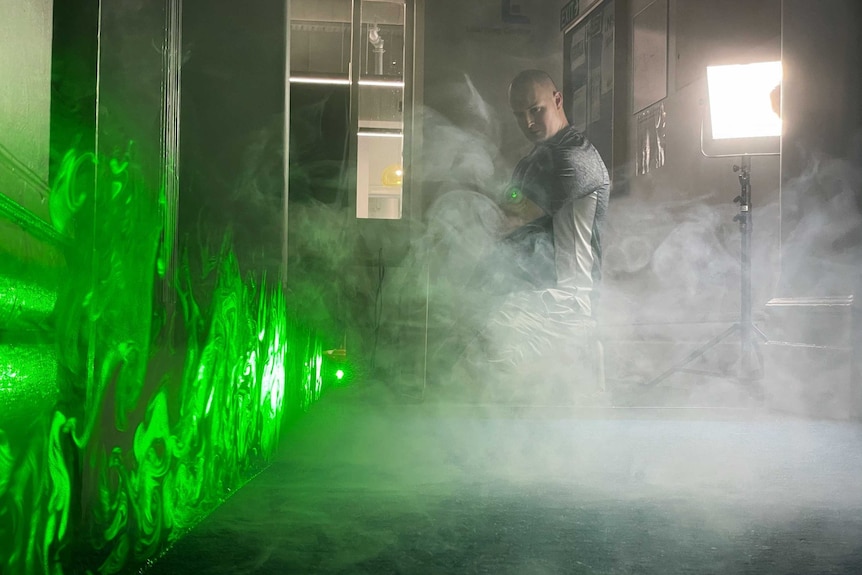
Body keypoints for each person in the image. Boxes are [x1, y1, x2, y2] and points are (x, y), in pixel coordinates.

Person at [502, 69, 610, 318]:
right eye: (519, 115)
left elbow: (508, 221)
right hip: (533, 302)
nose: (528, 123)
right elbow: (509, 219)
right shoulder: (531, 161)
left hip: (567, 304)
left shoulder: (573, 158)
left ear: (558, 100)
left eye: (536, 110)